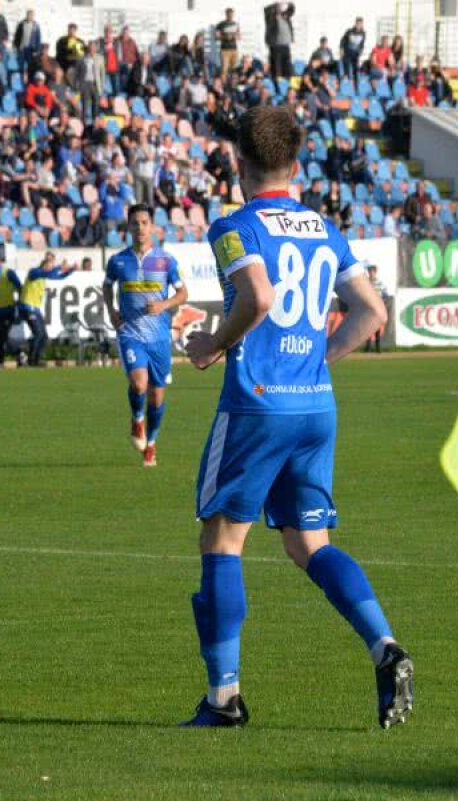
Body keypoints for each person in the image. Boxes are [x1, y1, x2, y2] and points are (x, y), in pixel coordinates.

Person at [181, 106, 412, 728]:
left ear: (237, 162)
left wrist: (213, 344)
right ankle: (383, 645)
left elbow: (257, 296)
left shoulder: (234, 225)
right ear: (297, 161)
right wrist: (320, 356)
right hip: (315, 405)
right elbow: (371, 313)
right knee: (310, 542)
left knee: (223, 541)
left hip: (256, 403)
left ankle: (224, 700)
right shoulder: (322, 227)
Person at [103, 204, 187, 468]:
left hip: (160, 338)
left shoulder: (165, 260)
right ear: (128, 227)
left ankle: (151, 444)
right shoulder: (118, 260)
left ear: (152, 227)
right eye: (135, 223)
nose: (139, 228)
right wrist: (111, 311)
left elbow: (183, 294)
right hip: (130, 333)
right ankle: (137, 418)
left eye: (144, 222)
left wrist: (163, 305)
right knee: (139, 384)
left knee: (157, 397)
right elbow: (106, 287)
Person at [18, 251, 74, 367]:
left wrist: (71, 269)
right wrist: (60, 266)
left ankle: (33, 358)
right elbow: (51, 272)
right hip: (27, 307)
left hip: (35, 309)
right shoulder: (34, 272)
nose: (52, 267)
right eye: (50, 265)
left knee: (44, 336)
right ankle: (32, 360)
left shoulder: (44, 275)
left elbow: (59, 276)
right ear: (44, 265)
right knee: (38, 333)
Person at [0, 249, 24, 368]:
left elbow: (19, 287)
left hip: (8, 309)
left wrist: (18, 302)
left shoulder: (8, 272)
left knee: (4, 337)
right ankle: (2, 362)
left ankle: (19, 353)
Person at [263, 2, 294, 82]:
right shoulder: (271, 18)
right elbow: (266, 9)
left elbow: (292, 9)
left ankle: (287, 83)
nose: (280, 8)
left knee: (287, 66)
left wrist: (288, 3)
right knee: (277, 67)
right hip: (276, 46)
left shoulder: (285, 16)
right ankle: (277, 83)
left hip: (286, 45)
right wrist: (276, 4)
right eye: (279, 7)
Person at [363, 265, 390, 354]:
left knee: (377, 330)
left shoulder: (380, 283)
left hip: (377, 310)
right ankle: (367, 349)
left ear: (375, 272)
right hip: (368, 309)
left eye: (372, 271)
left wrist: (382, 303)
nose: (371, 273)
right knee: (368, 329)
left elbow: (386, 295)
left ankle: (378, 349)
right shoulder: (366, 283)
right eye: (369, 271)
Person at [215, 8, 240, 80]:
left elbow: (239, 36)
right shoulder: (220, 24)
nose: (230, 16)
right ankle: (223, 85)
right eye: (229, 14)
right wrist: (225, 37)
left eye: (231, 14)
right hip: (225, 50)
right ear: (226, 14)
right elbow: (217, 37)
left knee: (234, 69)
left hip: (234, 49)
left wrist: (235, 37)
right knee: (224, 69)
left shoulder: (235, 24)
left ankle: (233, 85)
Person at [340, 18, 365, 83]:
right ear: (355, 23)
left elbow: (362, 43)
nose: (359, 25)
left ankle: (356, 82)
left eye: (360, 24)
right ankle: (347, 78)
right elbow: (343, 40)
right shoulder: (349, 31)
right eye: (358, 24)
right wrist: (341, 49)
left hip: (355, 53)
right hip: (347, 52)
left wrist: (361, 50)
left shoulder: (363, 33)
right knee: (346, 65)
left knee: (355, 68)